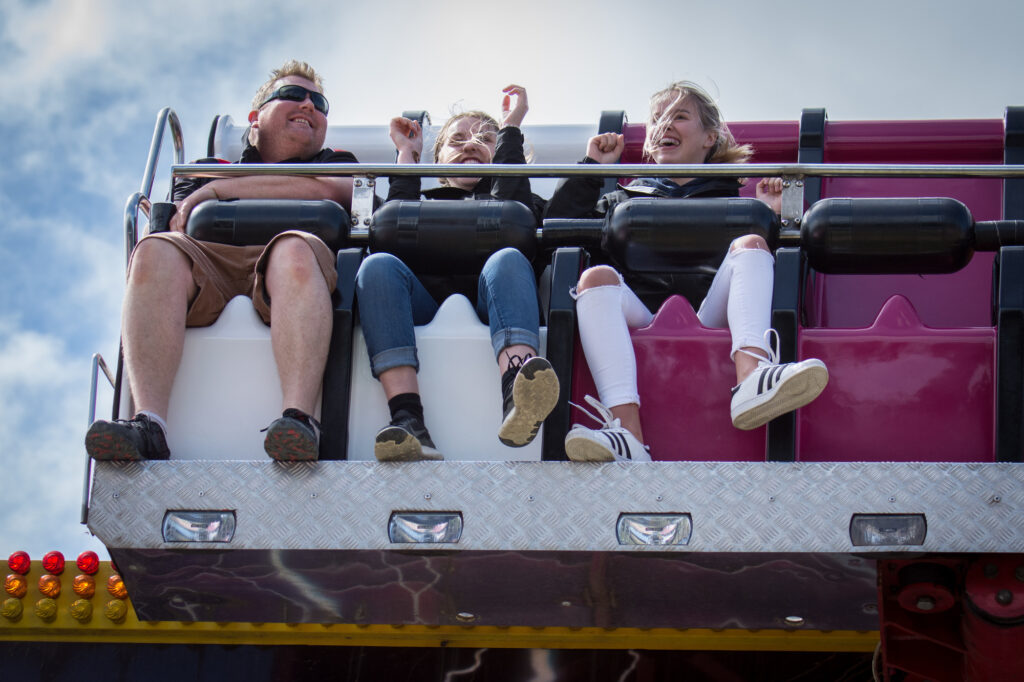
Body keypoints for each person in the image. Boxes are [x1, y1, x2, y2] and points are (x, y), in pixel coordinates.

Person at [85, 60, 356, 463]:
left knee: (294, 253)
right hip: (209, 264)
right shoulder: (201, 169)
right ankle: (149, 423)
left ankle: (298, 420)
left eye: (318, 101)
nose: (308, 105)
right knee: (155, 250)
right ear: (256, 116)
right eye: (291, 95)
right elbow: (177, 223)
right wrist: (208, 187)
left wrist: (215, 191)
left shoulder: (337, 162)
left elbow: (336, 192)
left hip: (290, 260)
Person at [545, 81, 828, 462]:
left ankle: (752, 379)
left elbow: (785, 279)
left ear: (710, 137)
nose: (664, 125)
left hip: (712, 314)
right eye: (657, 119)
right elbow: (557, 224)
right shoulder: (620, 199)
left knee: (750, 246)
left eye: (679, 116)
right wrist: (592, 167)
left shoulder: (737, 201)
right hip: (642, 315)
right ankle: (626, 433)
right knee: (594, 280)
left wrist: (771, 221)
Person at [355, 85, 557, 461]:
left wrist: (511, 127)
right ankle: (407, 418)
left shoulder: (527, 202)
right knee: (377, 266)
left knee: (507, 258)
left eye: (486, 138)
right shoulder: (422, 203)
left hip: (496, 305)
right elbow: (392, 233)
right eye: (458, 139)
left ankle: (520, 391)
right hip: (423, 303)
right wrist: (406, 156)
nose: (471, 144)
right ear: (438, 157)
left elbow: (514, 202)